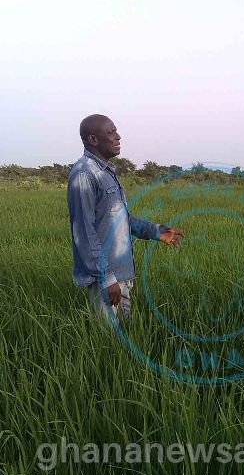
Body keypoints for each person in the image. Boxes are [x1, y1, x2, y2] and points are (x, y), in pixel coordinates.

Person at [67, 114, 183, 321]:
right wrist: (105, 278)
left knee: (124, 339)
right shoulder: (85, 174)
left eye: (116, 131)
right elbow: (83, 233)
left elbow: (121, 220)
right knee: (108, 345)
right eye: (111, 132)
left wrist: (157, 231)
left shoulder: (108, 172)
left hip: (122, 274)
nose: (118, 137)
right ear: (93, 139)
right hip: (107, 277)